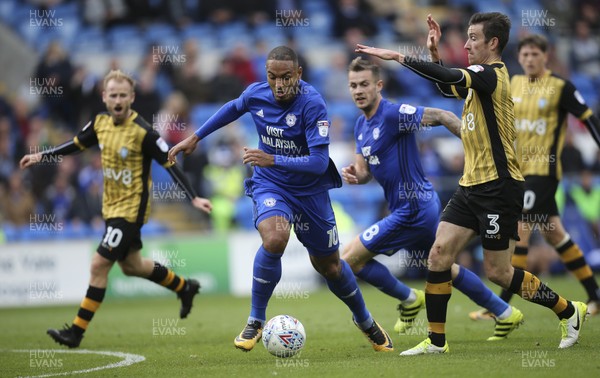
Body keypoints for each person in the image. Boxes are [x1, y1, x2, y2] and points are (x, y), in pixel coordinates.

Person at [356, 12, 588, 355]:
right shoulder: (478, 80)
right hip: (471, 185)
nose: (465, 44)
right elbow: (447, 84)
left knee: (499, 271)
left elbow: (451, 75)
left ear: (492, 43)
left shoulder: (492, 75)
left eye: (473, 38)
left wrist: (400, 57)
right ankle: (436, 342)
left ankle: (569, 311)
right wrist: (434, 53)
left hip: (499, 186)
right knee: (438, 255)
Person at [168, 46, 394, 352]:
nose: (279, 84)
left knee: (331, 267)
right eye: (272, 77)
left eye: (286, 77)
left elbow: (317, 162)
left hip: (310, 191)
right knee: (275, 239)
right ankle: (255, 320)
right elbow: (234, 107)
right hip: (271, 185)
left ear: (298, 74)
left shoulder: (312, 103)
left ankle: (365, 320)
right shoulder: (257, 93)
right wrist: (196, 137)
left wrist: (271, 158)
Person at [20, 70, 213, 348]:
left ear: (132, 98)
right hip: (111, 208)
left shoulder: (144, 132)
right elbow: (76, 145)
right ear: (105, 97)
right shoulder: (99, 124)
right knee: (132, 266)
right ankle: (185, 287)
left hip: (131, 211)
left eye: (123, 95)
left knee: (99, 264)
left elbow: (170, 162)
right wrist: (42, 155)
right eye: (113, 95)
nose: (118, 99)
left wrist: (193, 197)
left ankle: (75, 332)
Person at [342, 57, 523, 340]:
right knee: (444, 265)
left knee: (350, 260)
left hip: (413, 209)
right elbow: (365, 172)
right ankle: (503, 311)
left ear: (378, 85)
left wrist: (476, 144)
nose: (358, 90)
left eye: (364, 84)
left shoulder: (392, 114)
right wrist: (356, 174)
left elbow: (441, 115)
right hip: (412, 207)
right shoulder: (359, 126)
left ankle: (409, 298)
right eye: (353, 85)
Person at [469, 34, 600, 321]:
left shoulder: (560, 87)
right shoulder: (513, 83)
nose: (528, 60)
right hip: (518, 171)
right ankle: (595, 294)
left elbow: (588, 117)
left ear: (546, 56)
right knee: (555, 234)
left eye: (534, 55)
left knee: (520, 227)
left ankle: (501, 307)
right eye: (524, 55)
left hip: (544, 173)